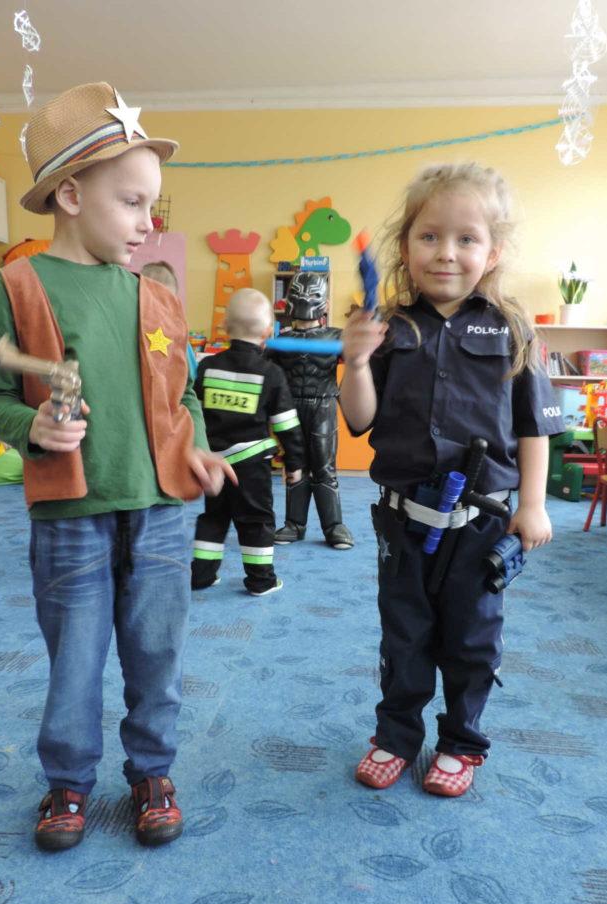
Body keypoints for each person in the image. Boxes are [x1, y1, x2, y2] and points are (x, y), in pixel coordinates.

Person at [0, 81, 235, 852]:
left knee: (157, 653)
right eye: (131, 203)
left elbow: (181, 395)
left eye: (153, 206)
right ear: (69, 195)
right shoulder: (17, 286)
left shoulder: (157, 298)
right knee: (75, 659)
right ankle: (68, 780)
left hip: (161, 512)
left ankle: (152, 771)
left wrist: (195, 448)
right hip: (70, 518)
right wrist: (32, 428)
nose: (148, 223)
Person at [340, 162, 565, 798]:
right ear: (406, 246)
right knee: (404, 634)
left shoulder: (514, 330)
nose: (446, 252)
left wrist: (533, 504)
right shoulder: (390, 328)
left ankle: (462, 743)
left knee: (472, 639)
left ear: (492, 253)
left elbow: (534, 427)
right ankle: (395, 737)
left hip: (481, 521)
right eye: (430, 236)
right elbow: (359, 419)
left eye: (466, 239)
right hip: (403, 518)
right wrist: (356, 360)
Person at [191, 288, 304, 596]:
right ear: (268, 331)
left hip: (214, 462)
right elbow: (286, 424)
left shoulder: (208, 367)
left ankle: (202, 575)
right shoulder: (271, 373)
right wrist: (294, 462)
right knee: (256, 519)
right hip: (251, 465)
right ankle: (261, 580)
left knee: (214, 517)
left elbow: (194, 413)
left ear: (225, 327)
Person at [270, 272, 354, 550]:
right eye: (299, 293)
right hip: (290, 408)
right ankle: (295, 524)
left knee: (324, 466)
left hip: (323, 405)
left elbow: (361, 360)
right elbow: (264, 372)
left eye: (312, 294)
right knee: (296, 465)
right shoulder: (280, 340)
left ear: (325, 303)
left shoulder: (337, 337)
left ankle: (334, 526)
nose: (305, 299)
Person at [139, 260, 199, 382]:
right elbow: (193, 375)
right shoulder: (179, 335)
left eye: (164, 302)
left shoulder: (179, 336)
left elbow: (191, 375)